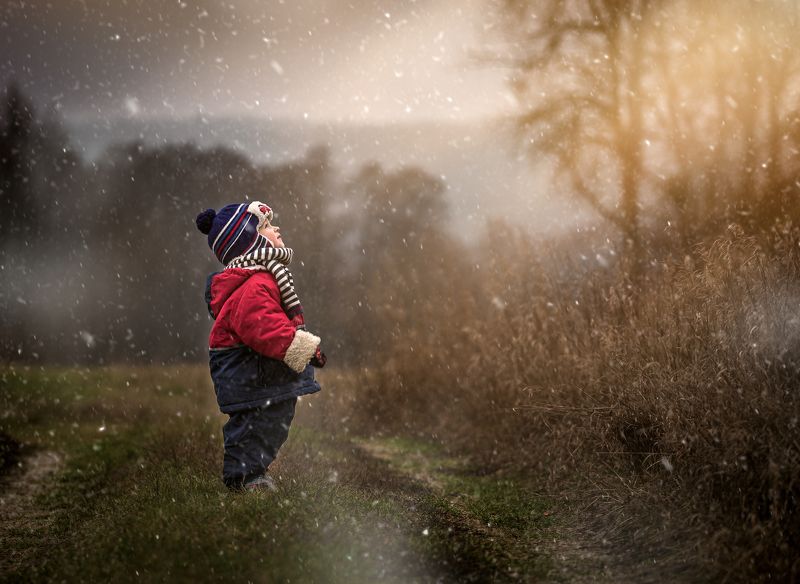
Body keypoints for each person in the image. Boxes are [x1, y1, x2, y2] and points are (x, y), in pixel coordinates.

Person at [195, 201, 325, 491]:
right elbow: (263, 325)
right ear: (250, 243)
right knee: (256, 421)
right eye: (266, 226)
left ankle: (253, 473)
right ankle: (244, 478)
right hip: (248, 368)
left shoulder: (263, 276)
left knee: (270, 419)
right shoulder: (254, 284)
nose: (276, 228)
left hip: (257, 368)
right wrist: (300, 346)